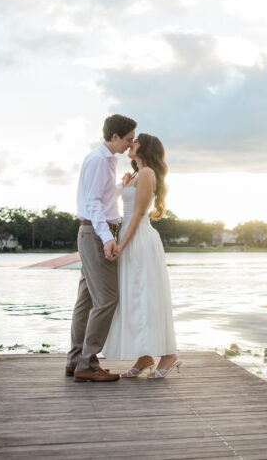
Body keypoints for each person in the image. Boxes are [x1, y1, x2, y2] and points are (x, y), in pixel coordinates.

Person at [102, 133, 180, 379]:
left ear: (144, 147)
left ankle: (168, 354)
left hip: (139, 239)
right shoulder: (137, 174)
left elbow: (137, 214)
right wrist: (124, 183)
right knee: (132, 296)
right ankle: (145, 355)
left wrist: (122, 245)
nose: (130, 144)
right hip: (128, 235)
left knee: (148, 296)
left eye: (134, 141)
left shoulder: (147, 174)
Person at [66, 114, 136, 382]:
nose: (130, 145)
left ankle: (75, 361)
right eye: (128, 139)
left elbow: (102, 198)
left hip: (92, 232)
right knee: (107, 299)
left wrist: (120, 186)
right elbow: (94, 204)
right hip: (96, 234)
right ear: (115, 136)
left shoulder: (104, 160)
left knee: (86, 300)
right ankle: (88, 364)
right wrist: (107, 238)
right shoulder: (98, 160)